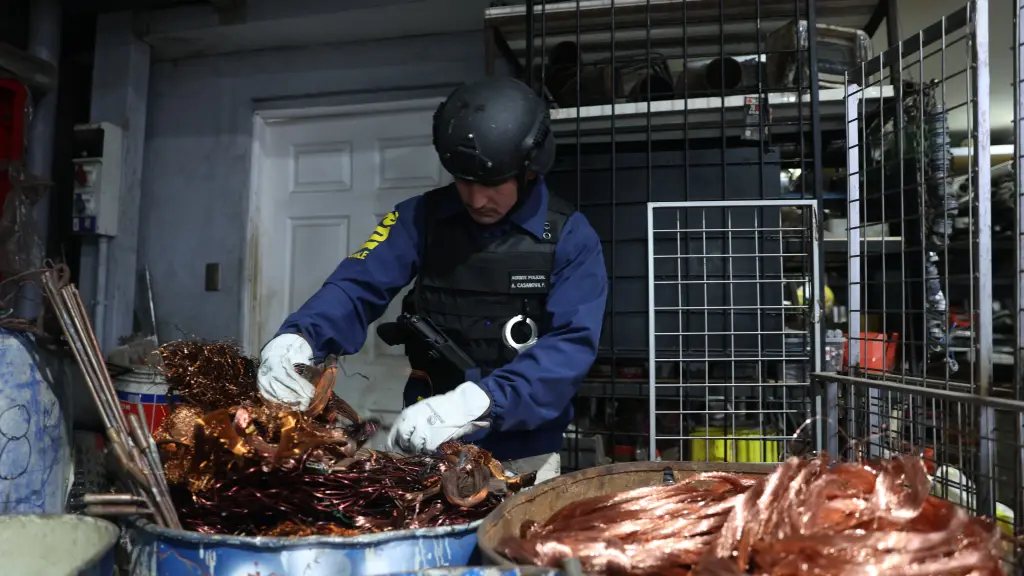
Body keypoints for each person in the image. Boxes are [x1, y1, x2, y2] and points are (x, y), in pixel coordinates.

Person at [255, 76, 608, 483]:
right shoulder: (420, 218)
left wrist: (479, 402)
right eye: (463, 181)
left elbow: (570, 348)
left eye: (491, 184)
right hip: (425, 444)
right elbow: (357, 285)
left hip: (522, 455)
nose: (476, 200)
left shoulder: (570, 237)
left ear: (529, 169)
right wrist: (299, 337)